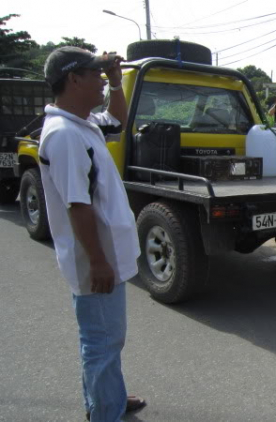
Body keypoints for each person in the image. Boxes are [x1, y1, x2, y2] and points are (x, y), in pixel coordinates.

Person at [39, 47, 147, 421]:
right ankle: (105, 411)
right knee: (102, 341)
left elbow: (117, 120)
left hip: (103, 256)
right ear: (73, 79)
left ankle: (108, 398)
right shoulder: (66, 135)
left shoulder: (81, 124)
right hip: (95, 261)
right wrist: (99, 261)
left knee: (105, 339)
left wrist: (117, 83)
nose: (103, 78)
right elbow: (77, 205)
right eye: (96, 72)